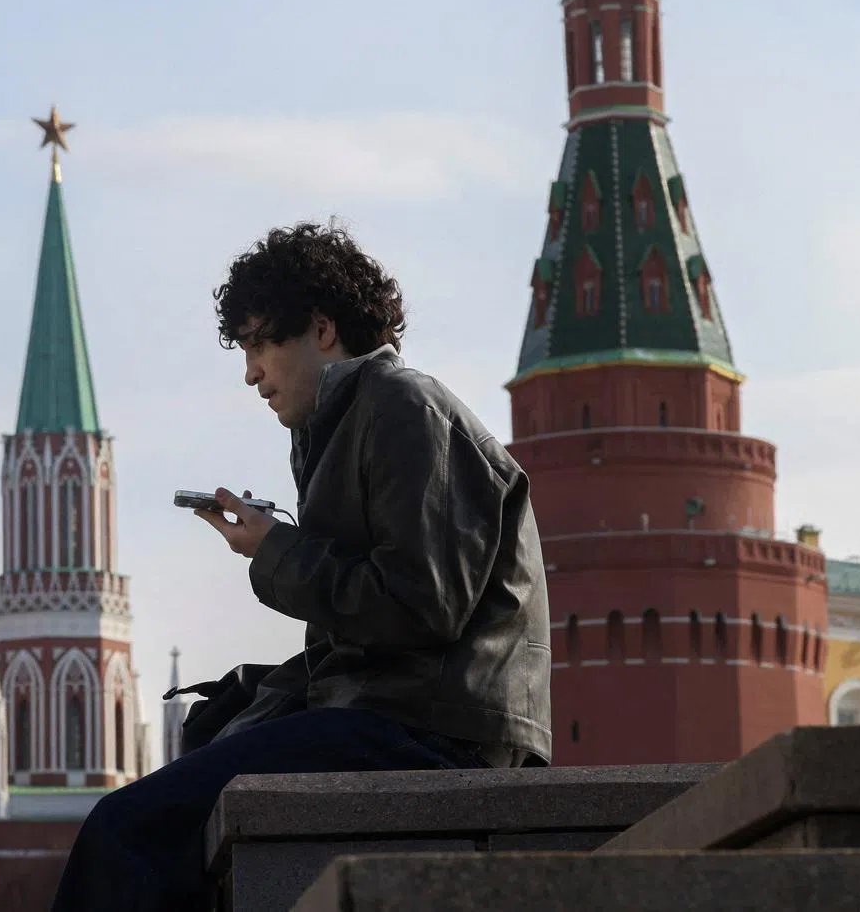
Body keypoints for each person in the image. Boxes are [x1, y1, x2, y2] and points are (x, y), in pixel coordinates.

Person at [50, 221, 551, 911]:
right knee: (196, 768)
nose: (250, 372)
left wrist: (273, 550)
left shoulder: (405, 407)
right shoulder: (342, 425)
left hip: (439, 734)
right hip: (400, 717)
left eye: (260, 344)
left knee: (127, 829)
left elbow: (421, 606)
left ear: (320, 330)